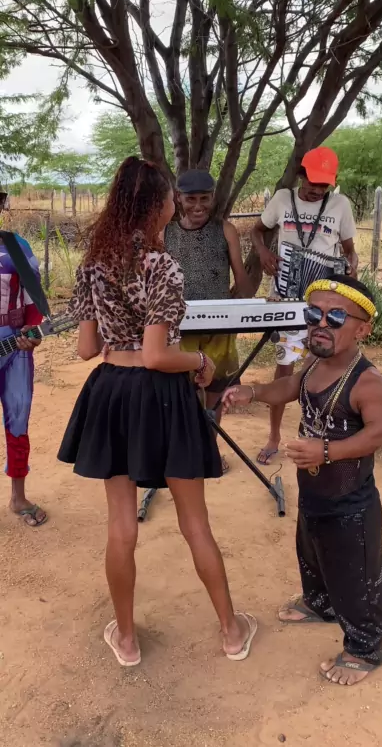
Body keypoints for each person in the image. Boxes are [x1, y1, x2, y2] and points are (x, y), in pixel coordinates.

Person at [58, 157, 256, 667]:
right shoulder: (160, 265)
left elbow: (86, 349)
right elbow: (156, 356)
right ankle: (231, 632)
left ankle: (126, 640)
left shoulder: (94, 263)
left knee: (121, 526)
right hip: (162, 395)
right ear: (156, 206)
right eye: (169, 195)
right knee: (195, 523)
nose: (175, 202)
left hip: (112, 393)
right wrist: (200, 363)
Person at [223, 275, 382, 686]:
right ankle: (320, 603)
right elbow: (289, 386)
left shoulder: (368, 382)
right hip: (315, 492)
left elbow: (377, 434)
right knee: (312, 552)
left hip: (351, 503)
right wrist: (253, 392)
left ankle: (365, 648)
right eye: (314, 314)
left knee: (354, 574)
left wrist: (327, 451)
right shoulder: (314, 366)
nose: (321, 324)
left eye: (336, 317)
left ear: (362, 329)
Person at [251, 146, 359, 465]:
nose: (317, 190)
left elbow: (350, 249)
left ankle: (317, 436)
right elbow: (258, 231)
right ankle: (274, 436)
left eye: (324, 185)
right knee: (285, 365)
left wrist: (352, 265)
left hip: (323, 301)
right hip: (286, 295)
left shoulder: (340, 205)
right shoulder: (283, 199)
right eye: (313, 182)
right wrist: (263, 253)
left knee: (321, 366)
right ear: (301, 175)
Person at [165, 169, 253, 472]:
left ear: (213, 198)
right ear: (178, 198)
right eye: (191, 199)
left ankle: (209, 449)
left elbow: (241, 279)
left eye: (204, 199)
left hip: (219, 327)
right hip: (179, 328)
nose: (198, 206)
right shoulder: (165, 233)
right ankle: (187, 452)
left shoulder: (225, 230)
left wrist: (240, 304)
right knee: (183, 391)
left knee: (215, 393)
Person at [0, 195, 46, 527]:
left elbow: (33, 299)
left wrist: (33, 332)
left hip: (14, 349)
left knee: (18, 420)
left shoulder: (16, 247)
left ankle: (18, 497)